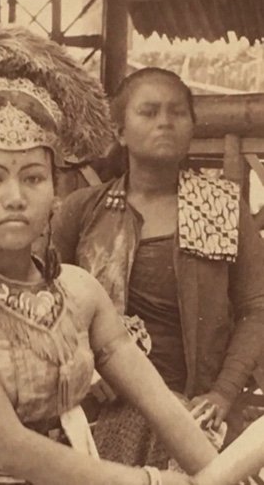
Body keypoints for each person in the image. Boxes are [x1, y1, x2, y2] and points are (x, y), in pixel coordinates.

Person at [0, 19, 219, 485]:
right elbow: (10, 449)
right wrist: (149, 482)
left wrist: (219, 472)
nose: (16, 196)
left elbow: (160, 405)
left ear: (55, 192)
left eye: (33, 177)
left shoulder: (80, 293)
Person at [52, 67, 264, 469]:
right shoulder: (84, 212)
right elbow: (46, 306)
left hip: (198, 412)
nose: (165, 122)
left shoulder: (220, 205)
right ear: (120, 131)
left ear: (191, 127)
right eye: (148, 112)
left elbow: (257, 307)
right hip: (105, 408)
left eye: (177, 112)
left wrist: (222, 393)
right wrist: (84, 373)